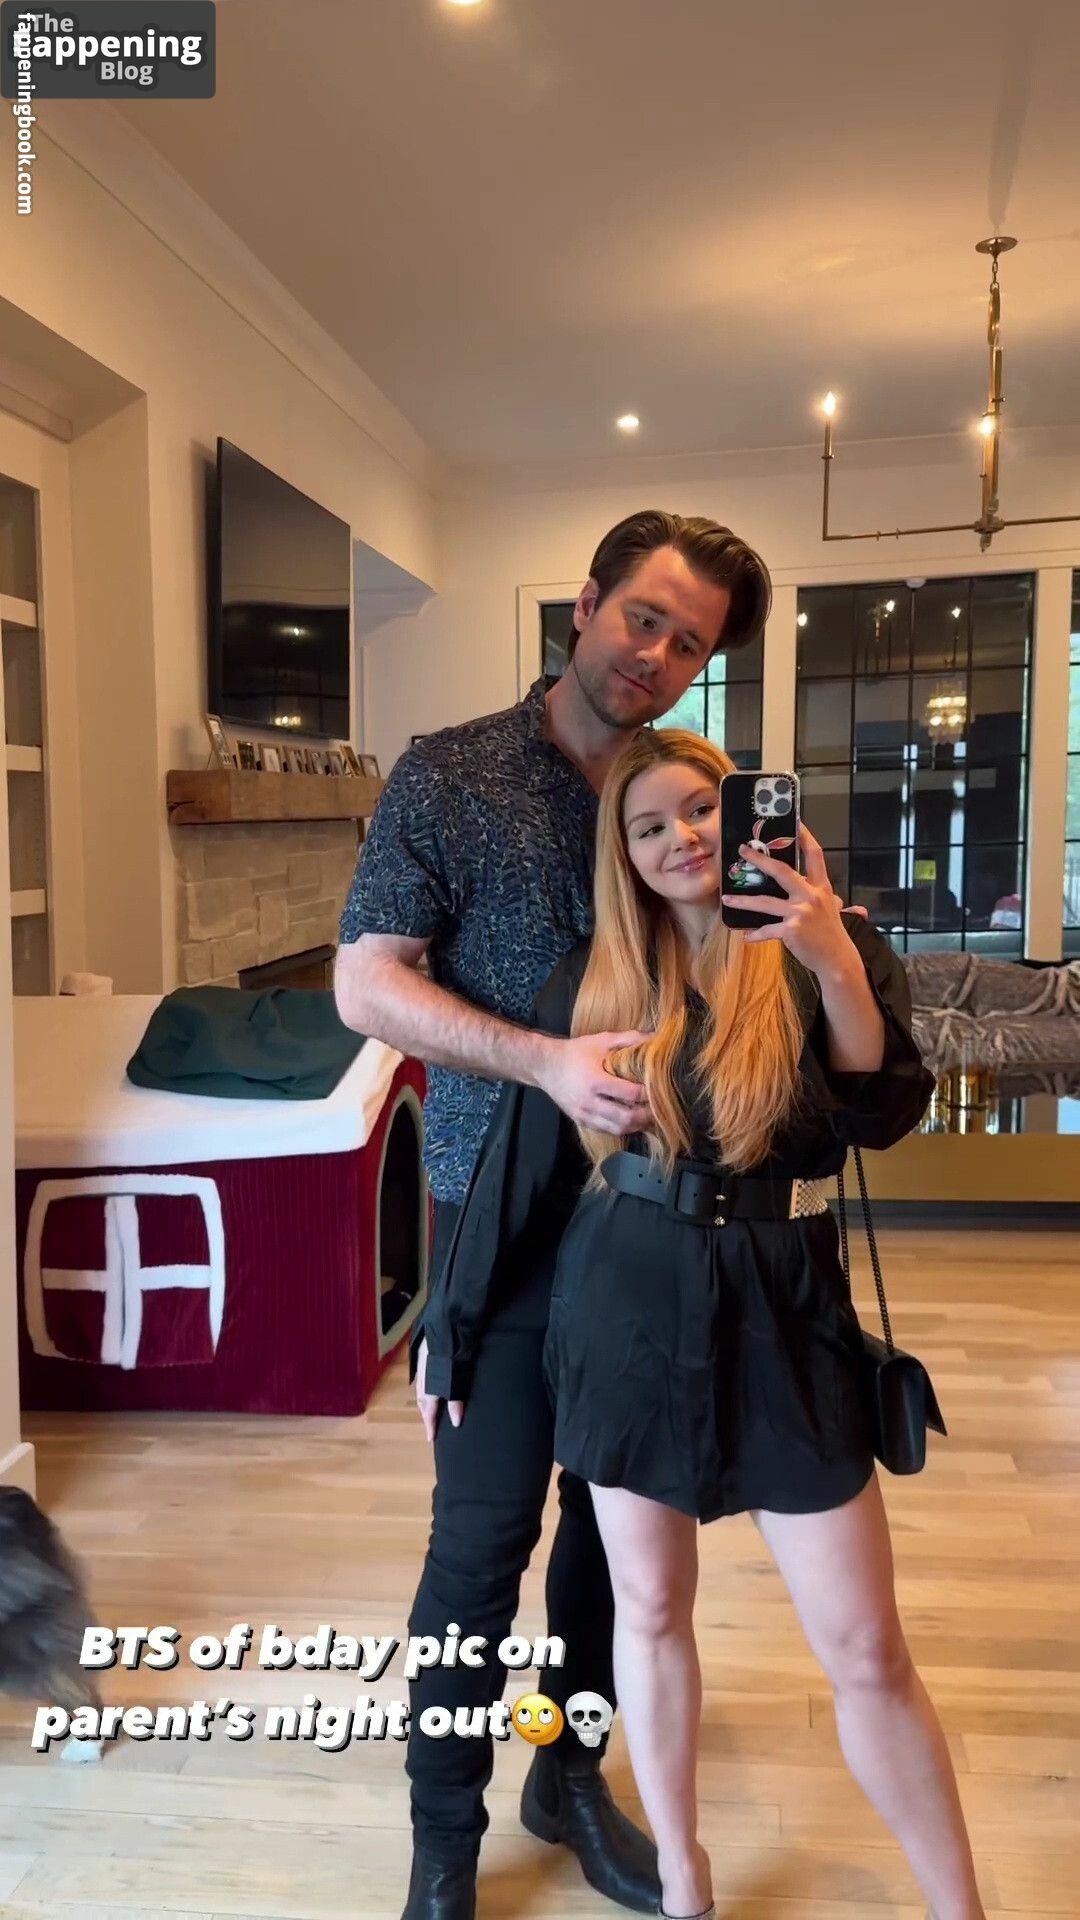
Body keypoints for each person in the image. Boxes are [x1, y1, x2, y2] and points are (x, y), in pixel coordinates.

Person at [425, 728, 987, 1920]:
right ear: (621, 855)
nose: (679, 838)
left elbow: (882, 1111)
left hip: (787, 1309)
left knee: (868, 1649)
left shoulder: (824, 947)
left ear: (741, 817)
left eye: (699, 810)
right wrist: (453, 1326)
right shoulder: (594, 980)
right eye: (648, 826)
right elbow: (519, 1168)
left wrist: (831, 958)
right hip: (624, 1305)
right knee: (648, 1607)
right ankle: (684, 1878)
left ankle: (961, 1909)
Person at [334, 509, 773, 1920]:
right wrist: (543, 1061)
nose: (656, 653)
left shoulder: (689, 795)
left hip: (658, 1235)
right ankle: (443, 1839)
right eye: (643, 617)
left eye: (689, 643)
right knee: (480, 1545)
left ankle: (568, 1776)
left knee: (612, 1542)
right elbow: (364, 982)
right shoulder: (451, 773)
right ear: (584, 605)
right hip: (498, 1222)